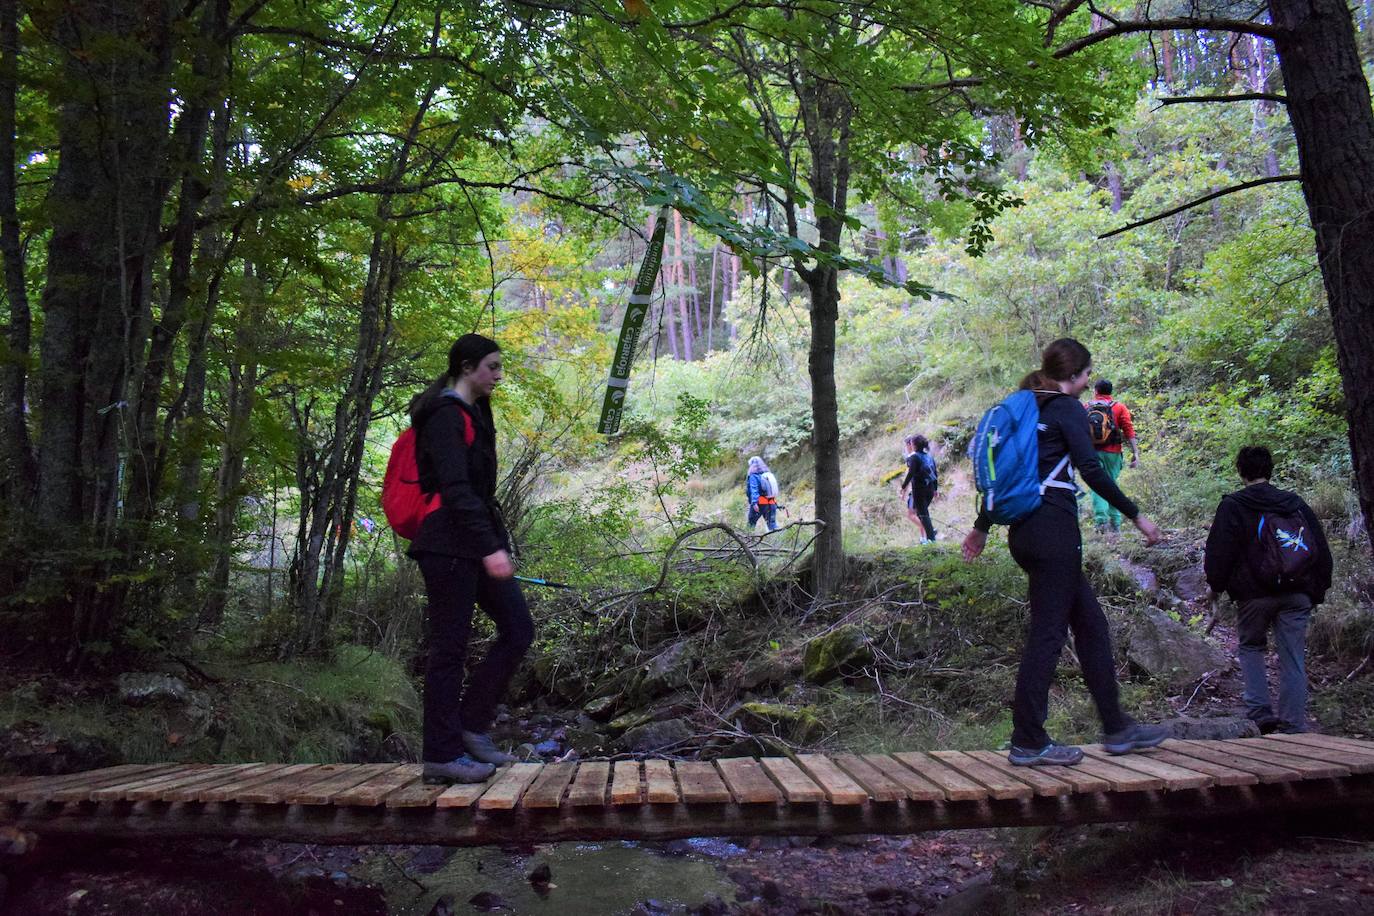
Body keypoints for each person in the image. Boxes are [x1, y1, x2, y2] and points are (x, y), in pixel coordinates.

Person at [962, 338, 1168, 767]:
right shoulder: (1066, 408)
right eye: (1087, 373)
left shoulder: (1027, 406)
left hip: (1024, 531)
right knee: (1048, 635)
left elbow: (1010, 474)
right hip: (1054, 531)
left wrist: (982, 527)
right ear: (1073, 375)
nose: (1089, 380)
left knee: (1090, 625)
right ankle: (1028, 740)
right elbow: (1090, 468)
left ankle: (1117, 727)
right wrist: (1136, 516)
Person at [407, 334, 534, 784]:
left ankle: (470, 727)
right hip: (447, 546)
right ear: (467, 367)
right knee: (449, 649)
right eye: (492, 367)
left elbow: (480, 492)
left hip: (474, 542)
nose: (499, 375)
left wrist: (495, 543)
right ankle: (441, 755)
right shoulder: (443, 415)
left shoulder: (476, 411)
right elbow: (456, 490)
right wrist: (490, 548)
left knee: (518, 629)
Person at [1204, 446, 1332, 734]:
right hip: (1298, 592)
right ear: (1269, 470)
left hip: (1253, 595)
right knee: (1293, 656)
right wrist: (1317, 591)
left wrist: (1216, 587)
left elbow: (1219, 552)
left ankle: (1260, 714)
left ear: (1241, 471)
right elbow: (1321, 551)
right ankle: (1293, 724)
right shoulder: (1295, 504)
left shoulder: (1234, 505)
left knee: (1251, 646)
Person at [1084, 379, 1139, 533]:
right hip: (1114, 453)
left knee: (1097, 487)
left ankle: (1101, 523)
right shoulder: (1119, 407)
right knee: (1111, 485)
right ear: (1111, 391)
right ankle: (1115, 523)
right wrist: (1136, 452)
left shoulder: (1086, 406)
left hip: (1092, 453)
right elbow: (1128, 430)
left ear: (1096, 391)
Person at [900, 434, 938, 542]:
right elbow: (935, 473)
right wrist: (935, 489)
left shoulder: (914, 457)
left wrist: (903, 487)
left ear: (914, 444)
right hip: (930, 489)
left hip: (919, 490)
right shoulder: (929, 456)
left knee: (923, 515)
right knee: (923, 514)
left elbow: (911, 473)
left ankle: (931, 540)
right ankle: (927, 538)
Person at [746, 456, 780, 531]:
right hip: (771, 502)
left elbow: (754, 489)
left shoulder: (753, 476)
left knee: (750, 525)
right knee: (772, 526)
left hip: (760, 503)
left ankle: (746, 541)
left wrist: (754, 503)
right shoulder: (768, 474)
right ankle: (780, 540)